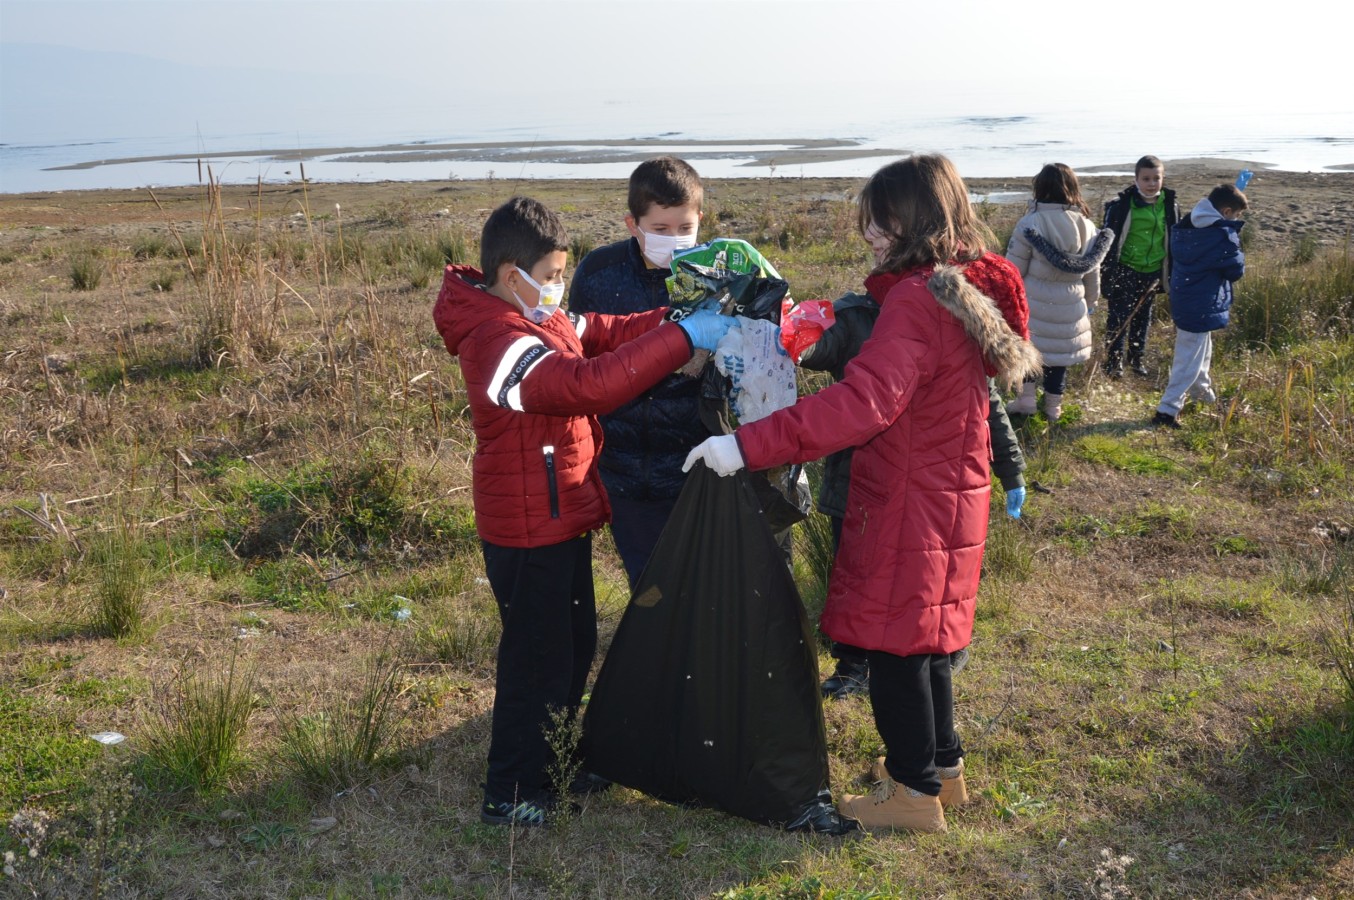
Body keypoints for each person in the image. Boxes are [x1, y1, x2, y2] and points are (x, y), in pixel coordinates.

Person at [683, 155, 1041, 833]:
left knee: (897, 649)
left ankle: (911, 793)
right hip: (945, 494)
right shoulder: (956, 290)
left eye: (881, 221)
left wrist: (747, 446)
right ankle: (942, 770)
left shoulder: (912, 301)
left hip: (909, 500)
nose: (870, 234)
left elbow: (863, 404)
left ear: (915, 219)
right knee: (927, 640)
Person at [432, 196, 736, 827]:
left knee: (570, 648)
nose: (558, 288)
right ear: (511, 275)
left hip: (558, 514)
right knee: (536, 661)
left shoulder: (537, 317)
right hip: (526, 529)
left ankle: (551, 765)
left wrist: (674, 317)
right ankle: (512, 791)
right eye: (550, 276)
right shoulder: (496, 342)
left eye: (562, 274)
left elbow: (600, 331)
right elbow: (585, 385)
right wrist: (685, 338)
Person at [798, 292, 1028, 699]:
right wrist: (792, 330)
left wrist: (1011, 470)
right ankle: (853, 665)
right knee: (854, 576)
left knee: (924, 577)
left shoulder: (953, 315)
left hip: (927, 485)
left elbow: (985, 401)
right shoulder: (856, 317)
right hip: (856, 482)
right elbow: (818, 350)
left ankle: (935, 651)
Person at [566, 157, 710, 588]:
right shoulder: (598, 273)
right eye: (660, 229)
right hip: (622, 466)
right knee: (648, 588)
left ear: (700, 220)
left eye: (685, 228)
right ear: (633, 224)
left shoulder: (719, 274)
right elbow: (578, 360)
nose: (675, 239)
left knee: (700, 583)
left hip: (695, 463)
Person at [1005, 163, 1113, 420]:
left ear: (1039, 189)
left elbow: (1013, 270)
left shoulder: (1030, 223)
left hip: (1033, 303)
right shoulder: (1087, 225)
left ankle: (1026, 400)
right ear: (1073, 189)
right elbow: (1092, 272)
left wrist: (1006, 302)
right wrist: (1090, 302)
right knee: (1060, 356)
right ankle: (1053, 407)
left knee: (1029, 351)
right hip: (1072, 302)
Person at [1152, 183, 1248, 429]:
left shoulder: (1188, 224)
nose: (1236, 219)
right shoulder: (1221, 235)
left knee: (1201, 349)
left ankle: (1203, 394)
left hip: (1185, 297)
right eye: (1236, 215)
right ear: (1226, 212)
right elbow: (1235, 270)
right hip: (1202, 301)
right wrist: (1234, 239)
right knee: (1188, 358)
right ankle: (1167, 410)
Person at [1100, 155, 1180, 377]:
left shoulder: (1170, 205)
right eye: (1146, 179)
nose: (1151, 183)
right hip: (1125, 269)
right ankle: (1113, 362)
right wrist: (1106, 271)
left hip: (1153, 270)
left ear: (1163, 178)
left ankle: (1136, 359)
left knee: (1143, 316)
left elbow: (1175, 236)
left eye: (1156, 178)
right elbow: (1108, 239)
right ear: (1136, 180)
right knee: (1119, 317)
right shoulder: (1122, 205)